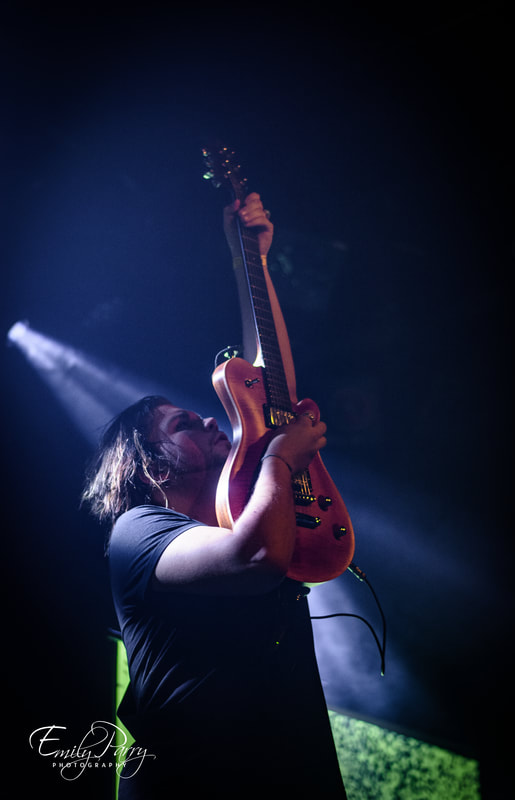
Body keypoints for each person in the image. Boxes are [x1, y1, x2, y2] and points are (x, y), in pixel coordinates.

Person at [82, 194, 347, 799]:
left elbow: (270, 388)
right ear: (146, 464)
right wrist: (279, 458)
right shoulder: (137, 531)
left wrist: (249, 258)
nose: (207, 419)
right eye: (181, 425)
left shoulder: (250, 514)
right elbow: (253, 558)